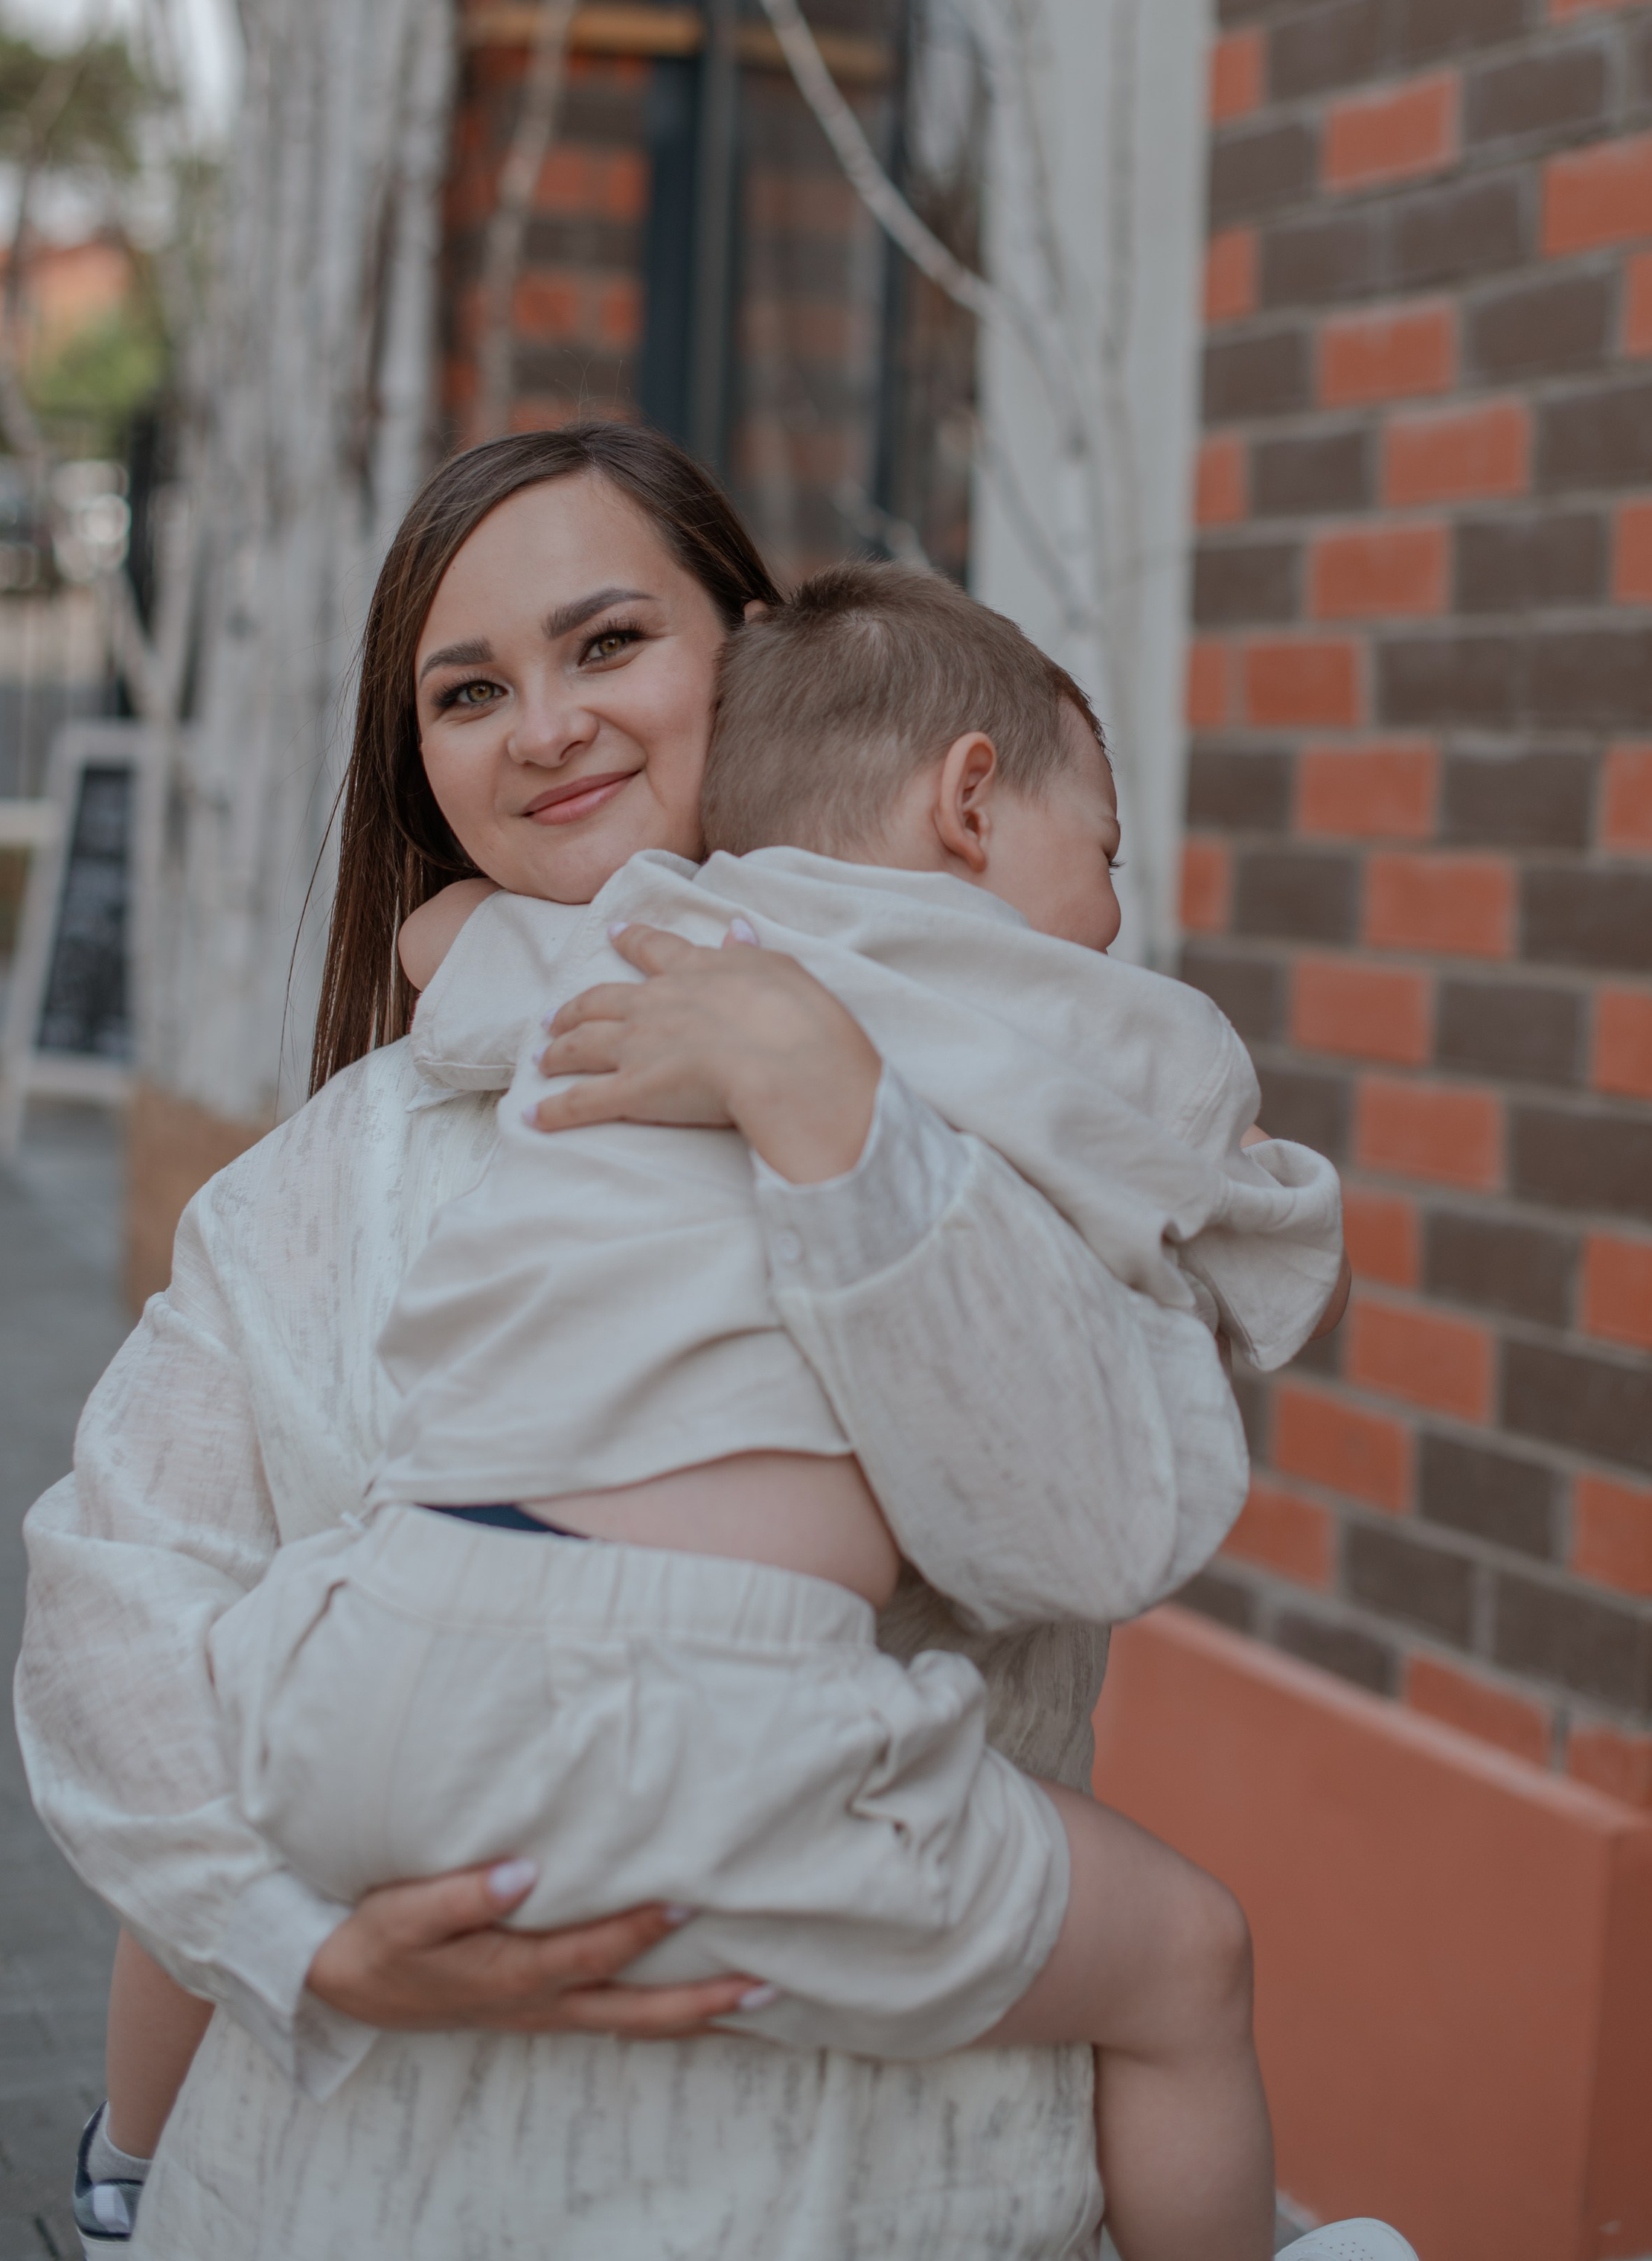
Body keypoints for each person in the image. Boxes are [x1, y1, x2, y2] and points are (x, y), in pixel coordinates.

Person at [13, 426, 1357, 2261]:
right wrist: (293, 1939)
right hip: (366, 2190)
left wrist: (838, 1117)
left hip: (892, 2188)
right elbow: (118, 1594)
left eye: (606, 643)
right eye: (469, 689)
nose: (544, 725)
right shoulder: (319, 1182)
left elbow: (1077, 1521)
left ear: (757, 651)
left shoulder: (1002, 1096)